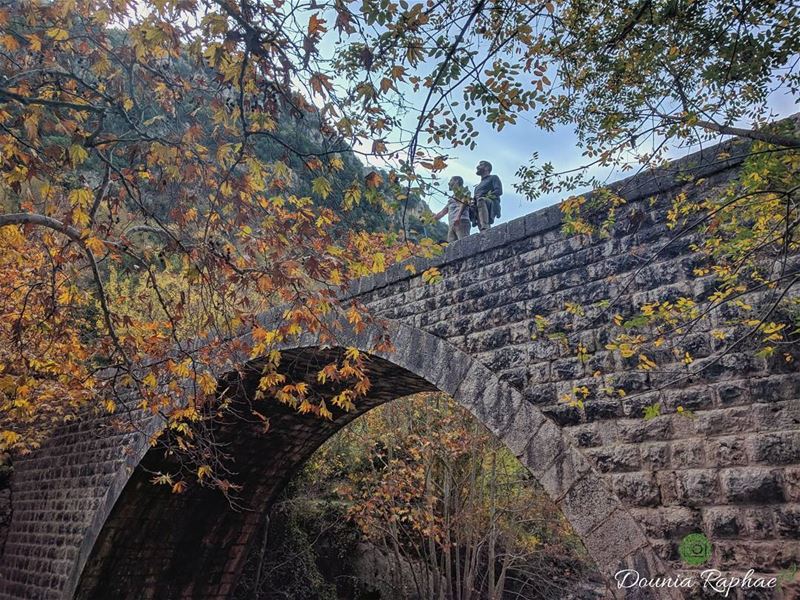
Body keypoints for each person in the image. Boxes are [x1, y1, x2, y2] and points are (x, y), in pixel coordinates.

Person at [434, 176, 471, 242]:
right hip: (452, 224)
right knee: (451, 247)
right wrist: (431, 219)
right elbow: (442, 212)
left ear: (457, 181)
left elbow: (465, 202)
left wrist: (458, 217)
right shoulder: (451, 199)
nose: (448, 183)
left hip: (462, 221)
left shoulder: (464, 192)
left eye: (451, 180)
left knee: (464, 243)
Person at [473, 160, 503, 231]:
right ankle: (484, 230)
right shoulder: (477, 187)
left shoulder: (493, 177)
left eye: (481, 165)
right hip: (479, 205)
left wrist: (485, 195)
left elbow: (499, 191)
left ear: (487, 168)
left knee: (481, 200)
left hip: (490, 202)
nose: (478, 167)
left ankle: (485, 225)